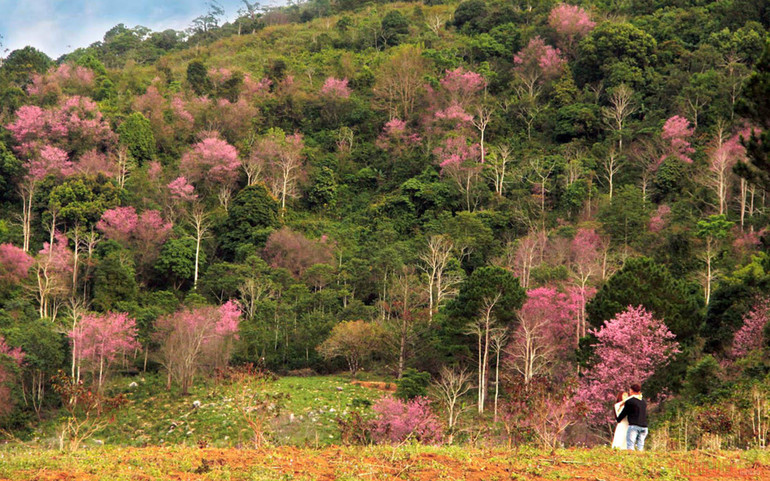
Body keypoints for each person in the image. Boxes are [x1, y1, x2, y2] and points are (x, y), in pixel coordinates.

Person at [616, 383, 648, 451]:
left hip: (634, 425)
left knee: (630, 445)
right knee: (640, 446)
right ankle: (640, 459)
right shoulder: (643, 402)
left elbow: (624, 412)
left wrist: (618, 419)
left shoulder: (630, 401)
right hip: (644, 426)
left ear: (631, 390)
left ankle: (631, 458)